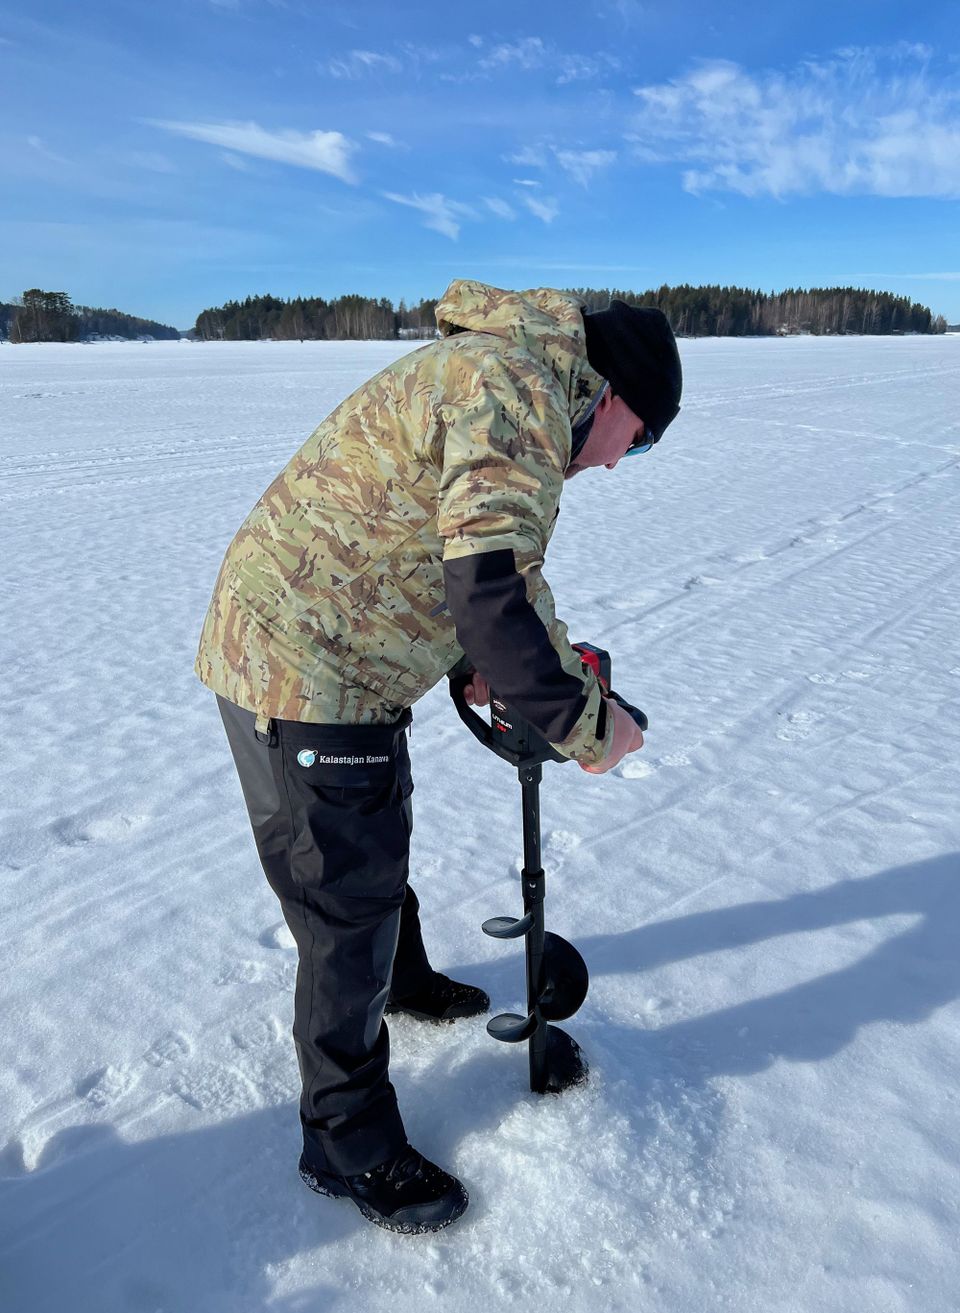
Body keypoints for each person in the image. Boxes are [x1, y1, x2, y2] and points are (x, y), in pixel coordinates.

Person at [195, 280, 682, 1234]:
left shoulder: (521, 380)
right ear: (617, 397)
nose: (625, 463)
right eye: (645, 438)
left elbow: (502, 571)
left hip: (341, 651)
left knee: (374, 826)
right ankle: (343, 1137)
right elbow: (490, 593)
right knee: (344, 897)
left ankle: (403, 980)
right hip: (298, 662)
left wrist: (521, 672)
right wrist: (591, 732)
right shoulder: (522, 393)